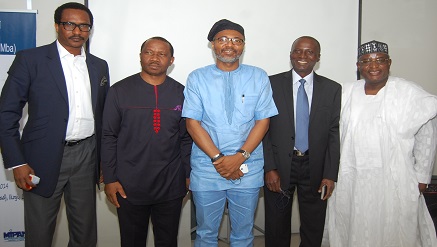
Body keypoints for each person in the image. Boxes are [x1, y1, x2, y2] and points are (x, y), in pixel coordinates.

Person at [0, 2, 109, 247]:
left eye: (84, 26)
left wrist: (104, 160)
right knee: (40, 235)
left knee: (85, 236)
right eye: (69, 24)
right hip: (41, 158)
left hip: (87, 156)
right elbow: (6, 114)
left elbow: (102, 115)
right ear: (57, 26)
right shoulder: (31, 59)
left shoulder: (99, 65)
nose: (77, 31)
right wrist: (17, 162)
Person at [323, 40, 437, 246]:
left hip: (395, 178)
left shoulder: (409, 92)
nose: (373, 66)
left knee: (396, 226)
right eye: (366, 61)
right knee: (353, 223)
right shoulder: (346, 92)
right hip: (352, 178)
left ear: (389, 63)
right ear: (358, 66)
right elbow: (330, 134)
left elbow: (426, 136)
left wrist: (422, 175)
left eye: (380, 60)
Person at [182, 19, 278, 246]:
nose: (229, 45)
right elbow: (192, 123)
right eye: (222, 39)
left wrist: (239, 157)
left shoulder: (258, 76)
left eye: (237, 40)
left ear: (243, 46)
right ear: (212, 45)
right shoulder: (197, 77)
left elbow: (263, 121)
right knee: (205, 234)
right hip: (208, 168)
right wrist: (219, 159)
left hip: (247, 168)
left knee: (243, 235)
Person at [101, 37, 192, 247]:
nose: (155, 58)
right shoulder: (119, 91)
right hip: (128, 185)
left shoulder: (183, 93)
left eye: (162, 54)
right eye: (149, 52)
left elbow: (186, 139)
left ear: (171, 60)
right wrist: (110, 179)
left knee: (167, 241)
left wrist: (188, 174)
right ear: (140, 56)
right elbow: (108, 136)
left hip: (170, 183)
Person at [263, 36, 341, 247]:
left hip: (314, 167)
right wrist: (269, 167)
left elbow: (334, 133)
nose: (303, 56)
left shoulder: (332, 89)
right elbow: (262, 130)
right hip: (278, 167)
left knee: (313, 226)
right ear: (291, 55)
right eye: (298, 51)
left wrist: (330, 174)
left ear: (317, 57)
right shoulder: (270, 84)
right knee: (277, 226)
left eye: (309, 52)